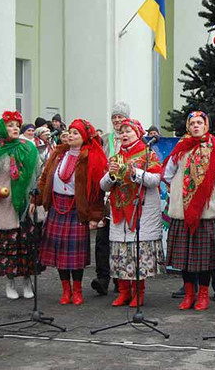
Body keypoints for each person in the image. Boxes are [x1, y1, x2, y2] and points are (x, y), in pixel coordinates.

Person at [163, 111, 215, 311]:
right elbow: (167, 174)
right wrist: (182, 189)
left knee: (204, 259)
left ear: (206, 126)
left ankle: (203, 295)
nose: (196, 126)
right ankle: (189, 294)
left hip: (206, 212)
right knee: (185, 258)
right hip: (183, 212)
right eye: (192, 123)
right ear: (188, 127)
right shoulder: (181, 148)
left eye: (200, 123)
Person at [36, 119, 106, 305]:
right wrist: (37, 198)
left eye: (76, 133)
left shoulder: (90, 157)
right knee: (60, 252)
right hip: (57, 207)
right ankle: (65, 290)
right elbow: (45, 177)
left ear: (84, 137)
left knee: (74, 254)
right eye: (70, 132)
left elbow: (97, 190)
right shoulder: (59, 154)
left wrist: (95, 216)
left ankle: (77, 290)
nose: (71, 136)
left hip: (77, 208)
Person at [100, 119, 165, 307]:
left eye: (128, 131)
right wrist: (111, 175)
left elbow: (155, 179)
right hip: (119, 212)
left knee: (136, 255)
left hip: (141, 212)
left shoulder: (147, 154)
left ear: (138, 133)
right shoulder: (116, 158)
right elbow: (103, 185)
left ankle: (138, 293)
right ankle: (123, 292)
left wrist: (132, 171)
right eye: (121, 132)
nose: (124, 135)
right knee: (121, 254)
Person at [0, 110, 39, 299]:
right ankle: (10, 282)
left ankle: (28, 282)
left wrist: (36, 199)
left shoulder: (29, 148)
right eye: (10, 125)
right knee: (9, 247)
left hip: (26, 206)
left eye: (16, 125)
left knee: (28, 246)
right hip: (6, 206)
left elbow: (39, 174)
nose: (14, 128)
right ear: (2, 129)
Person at [91, 101, 130, 296]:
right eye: (114, 117)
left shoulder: (132, 137)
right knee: (102, 238)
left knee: (121, 239)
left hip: (125, 194)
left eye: (120, 116)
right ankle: (103, 278)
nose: (117, 120)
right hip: (105, 192)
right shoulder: (105, 139)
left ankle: (120, 279)